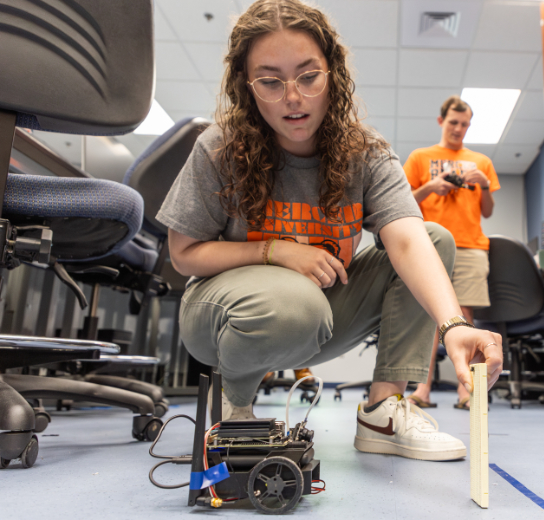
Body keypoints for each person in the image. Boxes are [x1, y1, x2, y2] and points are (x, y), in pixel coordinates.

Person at [156, 0, 504, 461]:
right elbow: (183, 253)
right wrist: (276, 251)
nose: (293, 98)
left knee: (433, 238)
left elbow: (406, 238)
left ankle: (384, 409)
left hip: (316, 314)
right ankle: (234, 404)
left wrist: (454, 323)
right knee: (294, 305)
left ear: (332, 73)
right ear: (247, 85)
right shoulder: (219, 147)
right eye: (270, 81)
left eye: (307, 75)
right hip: (220, 320)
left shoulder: (365, 152)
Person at [403, 96, 499, 410]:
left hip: (471, 246)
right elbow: (402, 203)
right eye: (453, 122)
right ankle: (422, 389)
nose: (459, 129)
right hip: (430, 247)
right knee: (429, 319)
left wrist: (483, 186)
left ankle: (467, 392)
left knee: (466, 319)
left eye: (464, 124)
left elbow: (487, 211)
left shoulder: (481, 160)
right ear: (441, 121)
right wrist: (431, 188)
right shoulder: (420, 157)